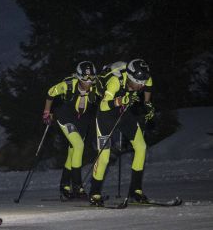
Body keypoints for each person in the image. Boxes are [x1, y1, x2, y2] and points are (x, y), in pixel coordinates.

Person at [89, 59, 155, 206]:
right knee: (104, 157)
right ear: (130, 78)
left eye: (143, 83)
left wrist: (147, 104)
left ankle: (135, 191)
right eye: (138, 83)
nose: (141, 86)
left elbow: (149, 86)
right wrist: (122, 100)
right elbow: (104, 106)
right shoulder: (115, 81)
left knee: (141, 147)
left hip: (123, 112)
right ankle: (94, 193)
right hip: (105, 116)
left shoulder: (145, 77)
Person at [43, 61, 99, 200]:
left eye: (92, 78)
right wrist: (47, 111)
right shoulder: (67, 85)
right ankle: (77, 187)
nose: (89, 82)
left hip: (82, 119)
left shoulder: (96, 86)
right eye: (86, 79)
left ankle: (64, 185)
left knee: (73, 151)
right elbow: (50, 92)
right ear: (79, 77)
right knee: (79, 146)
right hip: (65, 118)